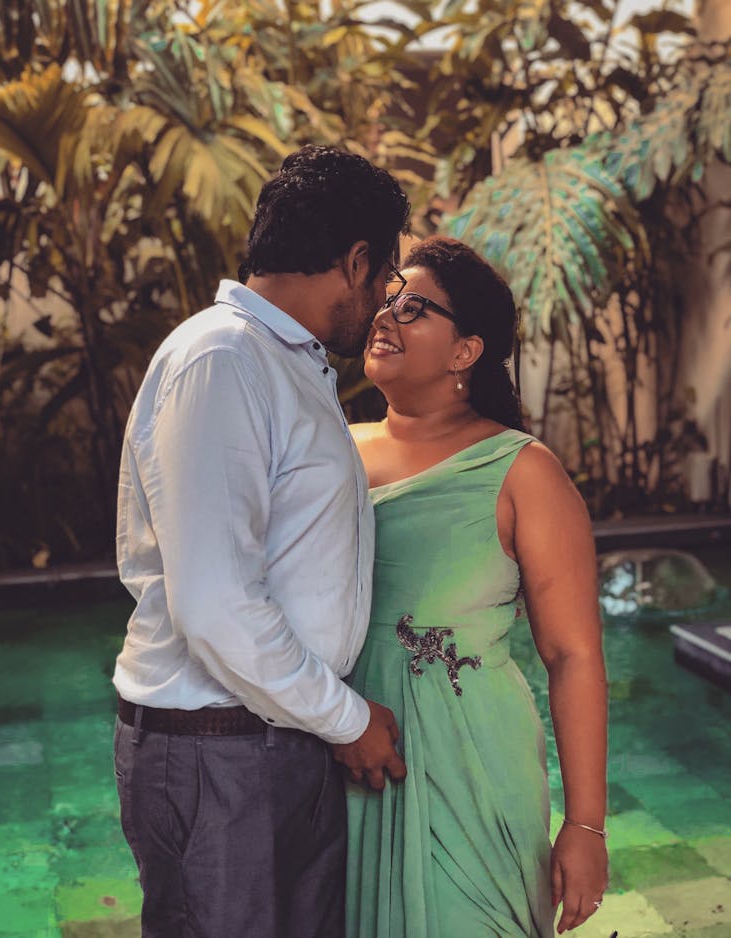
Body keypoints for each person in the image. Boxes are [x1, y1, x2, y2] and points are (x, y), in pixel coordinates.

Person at [112, 145, 410, 938]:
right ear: (355, 261)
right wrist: (346, 719)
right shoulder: (222, 359)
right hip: (217, 752)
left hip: (281, 738)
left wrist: (326, 722)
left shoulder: (288, 364)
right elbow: (216, 604)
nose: (384, 300)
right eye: (386, 278)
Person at [345, 236, 608, 938]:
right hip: (342, 748)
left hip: (471, 760)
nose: (387, 315)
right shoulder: (331, 450)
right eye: (387, 299)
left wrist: (586, 825)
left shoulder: (523, 471)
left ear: (466, 351)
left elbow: (573, 657)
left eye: (415, 307)